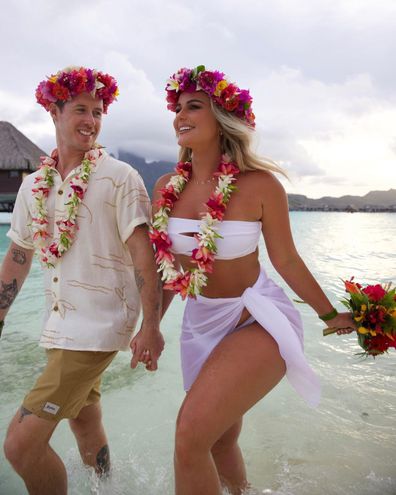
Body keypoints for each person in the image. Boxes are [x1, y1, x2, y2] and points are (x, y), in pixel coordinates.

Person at [149, 65, 355, 495]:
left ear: (222, 118)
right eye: (178, 108)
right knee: (219, 441)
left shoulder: (260, 186)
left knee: (189, 437)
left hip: (256, 319)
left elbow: (288, 260)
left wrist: (331, 314)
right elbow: (165, 270)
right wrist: (149, 328)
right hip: (200, 324)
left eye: (193, 107)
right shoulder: (167, 187)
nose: (179, 117)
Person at [1, 66, 164, 495]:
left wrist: (151, 326)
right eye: (79, 109)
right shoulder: (33, 185)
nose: (90, 120)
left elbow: (143, 257)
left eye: (97, 111)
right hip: (58, 326)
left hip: (99, 328)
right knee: (85, 419)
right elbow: (18, 256)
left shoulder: (121, 177)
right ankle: (107, 487)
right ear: (54, 111)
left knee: (20, 446)